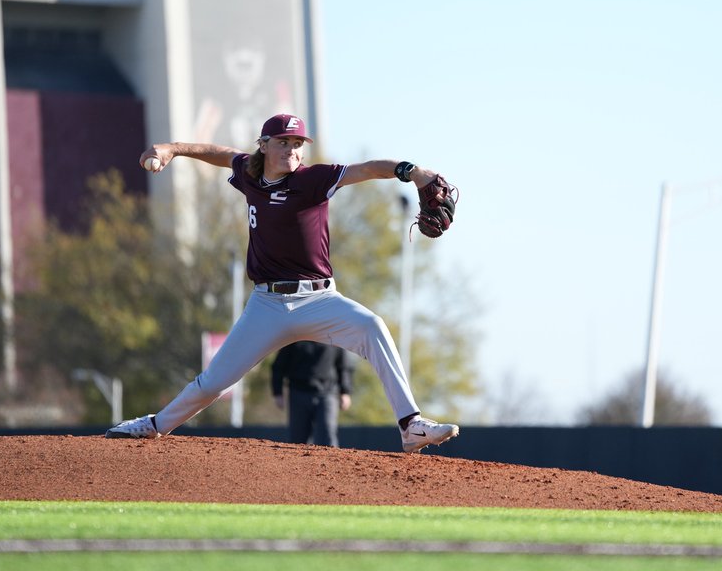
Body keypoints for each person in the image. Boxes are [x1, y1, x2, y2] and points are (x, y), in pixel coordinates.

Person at [106, 113, 460, 453]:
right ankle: (155, 425)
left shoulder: (312, 179)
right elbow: (220, 154)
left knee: (373, 326)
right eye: (283, 142)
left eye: (297, 142)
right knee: (213, 382)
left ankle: (411, 426)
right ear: (264, 145)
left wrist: (412, 172)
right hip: (267, 305)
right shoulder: (249, 173)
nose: (292, 149)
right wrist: (172, 148)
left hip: (320, 300)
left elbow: (366, 169)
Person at [271, 341, 354, 447]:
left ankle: (329, 462)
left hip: (327, 393)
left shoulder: (332, 337)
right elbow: (278, 366)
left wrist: (345, 392)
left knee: (327, 433)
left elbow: (344, 366)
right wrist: (277, 393)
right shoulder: (295, 338)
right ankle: (298, 463)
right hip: (298, 392)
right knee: (298, 438)